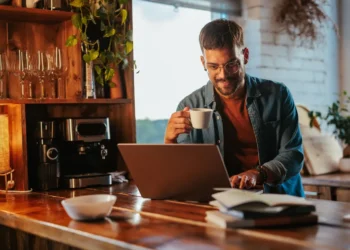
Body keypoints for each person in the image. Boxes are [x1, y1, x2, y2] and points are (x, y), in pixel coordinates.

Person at [164, 19, 305, 197]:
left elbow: (293, 155)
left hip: (277, 199)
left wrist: (258, 174)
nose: (223, 75)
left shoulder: (278, 95)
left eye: (231, 64)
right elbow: (184, 171)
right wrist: (169, 142)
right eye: (213, 67)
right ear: (203, 63)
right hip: (219, 201)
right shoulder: (190, 106)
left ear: (245, 55)